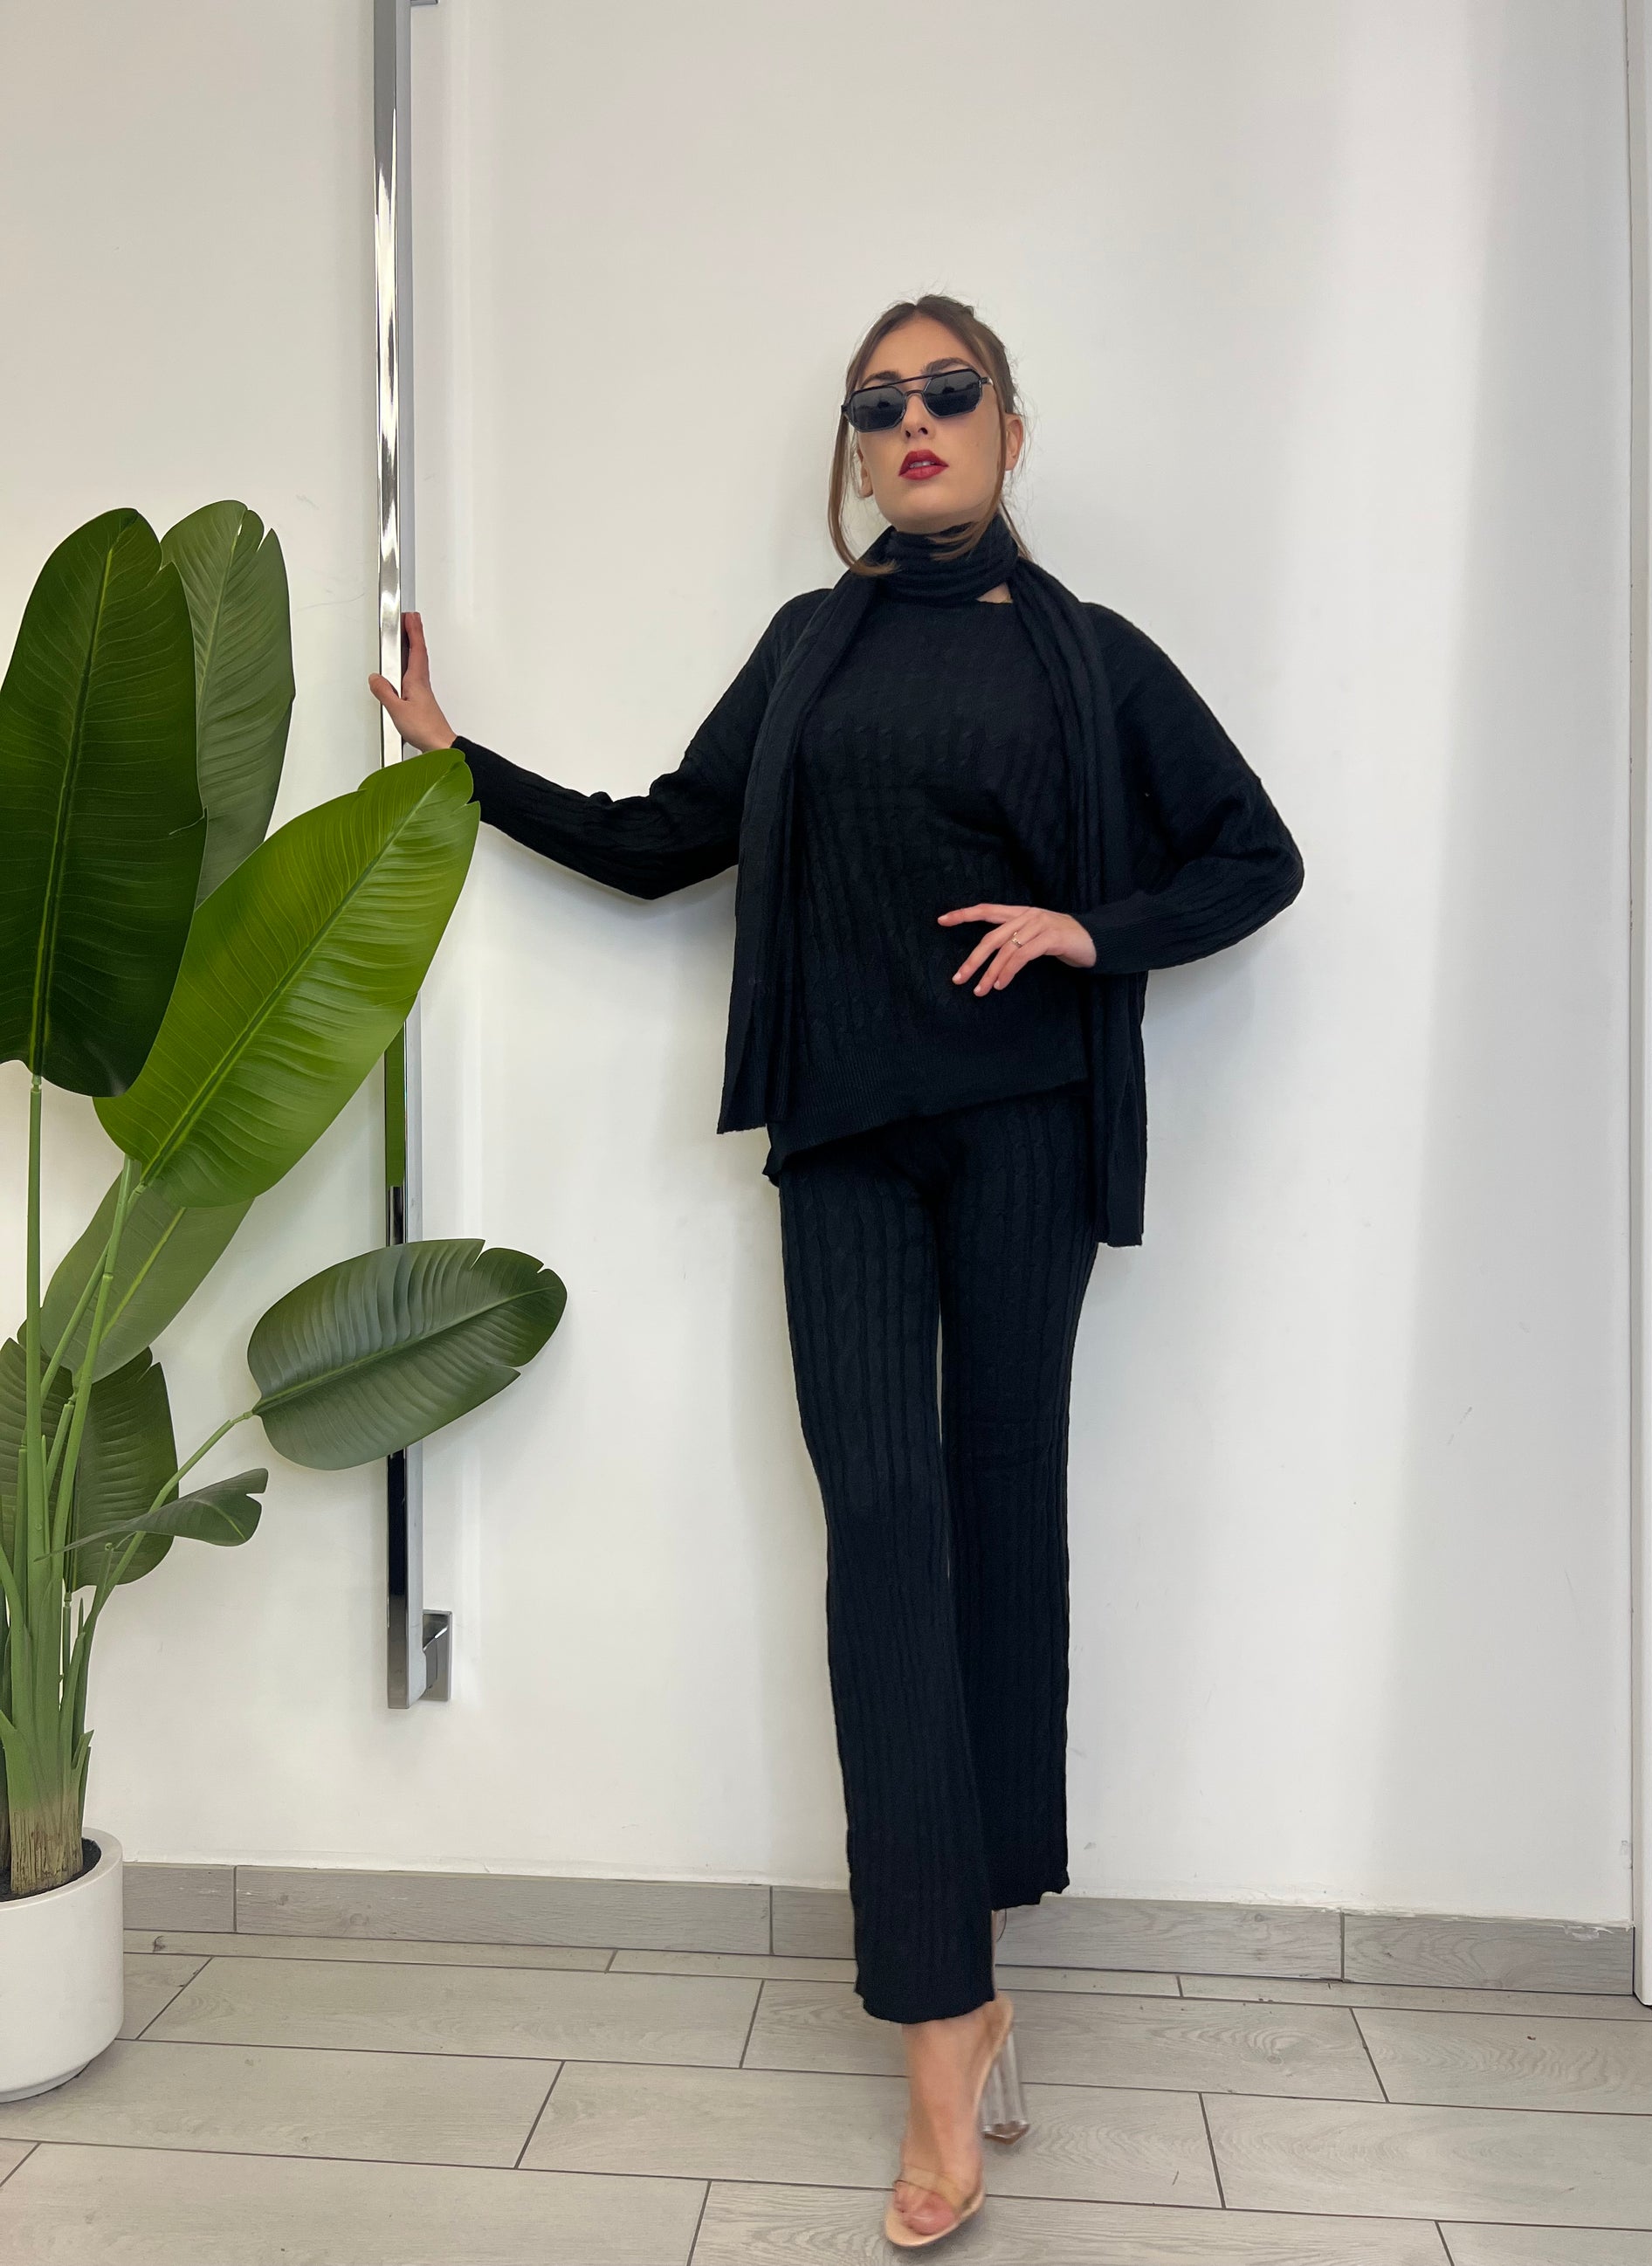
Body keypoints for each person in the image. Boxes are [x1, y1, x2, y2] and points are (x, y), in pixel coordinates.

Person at [370, 292, 1304, 2250]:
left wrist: (1088, 930)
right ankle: (939, 2026)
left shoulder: (1088, 655)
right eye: (881, 404)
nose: (913, 422)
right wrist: (460, 765)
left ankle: (979, 1955)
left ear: (1011, 430)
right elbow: (663, 842)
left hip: (1025, 1129)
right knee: (880, 1537)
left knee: (999, 1516)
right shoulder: (810, 646)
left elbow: (1253, 856)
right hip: (845, 1137)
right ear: (857, 450)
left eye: (949, 392)